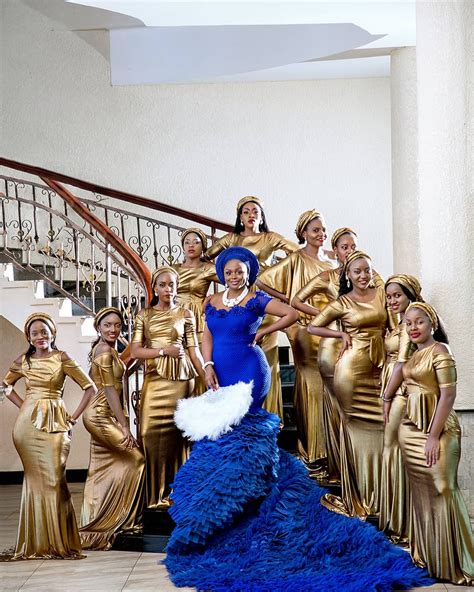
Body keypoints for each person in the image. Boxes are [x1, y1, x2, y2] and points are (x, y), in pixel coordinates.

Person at [164, 247, 432, 592]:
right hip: (220, 370)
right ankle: (225, 507)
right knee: (219, 436)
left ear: (247, 273)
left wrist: (263, 332)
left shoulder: (257, 298)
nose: (234, 276)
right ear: (222, 273)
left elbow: (292, 313)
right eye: (228, 272)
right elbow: (207, 336)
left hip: (249, 369)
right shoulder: (212, 301)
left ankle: (253, 501)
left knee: (244, 434)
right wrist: (207, 365)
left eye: (239, 272)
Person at [2, 313, 96, 559]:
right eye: (35, 333)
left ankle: (59, 542)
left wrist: (73, 418)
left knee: (55, 480)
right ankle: (38, 543)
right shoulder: (24, 361)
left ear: (53, 333)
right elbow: (5, 385)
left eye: (44, 331)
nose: (40, 336)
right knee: (34, 482)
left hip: (55, 421)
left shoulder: (62, 358)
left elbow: (90, 387)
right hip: (26, 427)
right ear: (29, 338)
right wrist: (23, 405)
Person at [395, 302, 473, 584]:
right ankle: (430, 558)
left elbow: (448, 396)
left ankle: (458, 562)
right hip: (410, 432)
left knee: (443, 489)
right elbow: (394, 389)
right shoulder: (412, 357)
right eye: (408, 324)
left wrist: (432, 436)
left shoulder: (441, 351)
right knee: (422, 495)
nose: (414, 328)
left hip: (438, 432)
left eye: (420, 322)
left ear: (433, 325)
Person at [308, 251, 388, 518]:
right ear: (348, 275)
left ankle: (384, 496)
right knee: (356, 436)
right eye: (357, 272)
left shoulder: (383, 293)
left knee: (385, 432)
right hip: (351, 374)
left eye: (367, 270)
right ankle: (362, 496)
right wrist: (340, 333)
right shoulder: (342, 302)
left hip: (380, 369)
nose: (363, 275)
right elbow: (313, 327)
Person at [205, 196, 299, 420]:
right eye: (245, 211)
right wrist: (208, 364)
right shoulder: (231, 239)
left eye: (255, 211)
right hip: (227, 338)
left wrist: (272, 278)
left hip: (258, 303)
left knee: (268, 361)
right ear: (239, 216)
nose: (250, 215)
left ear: (261, 215)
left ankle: (272, 415)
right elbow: (207, 255)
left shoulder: (269, 238)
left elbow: (297, 253)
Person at [257, 210, 335, 475]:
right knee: (311, 382)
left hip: (331, 326)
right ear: (303, 233)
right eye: (315, 230)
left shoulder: (333, 260)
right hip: (304, 326)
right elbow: (261, 280)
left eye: (323, 229)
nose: (321, 234)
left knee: (329, 386)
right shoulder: (295, 259)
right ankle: (313, 452)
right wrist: (289, 298)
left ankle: (332, 451)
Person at [130, 266, 205, 508]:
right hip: (155, 379)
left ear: (177, 286)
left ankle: (176, 495)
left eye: (171, 284)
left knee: (177, 437)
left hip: (182, 380)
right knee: (148, 434)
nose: (167, 289)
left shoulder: (186, 314)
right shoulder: (144, 315)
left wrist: (207, 373)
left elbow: (194, 351)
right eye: (162, 284)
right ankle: (154, 497)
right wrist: (164, 351)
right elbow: (135, 351)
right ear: (154, 288)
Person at [79, 307, 145, 550]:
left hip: (102, 415)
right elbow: (108, 391)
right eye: (108, 325)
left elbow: (98, 383)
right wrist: (125, 426)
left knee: (103, 468)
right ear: (98, 327)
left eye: (117, 325)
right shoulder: (105, 352)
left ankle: (99, 518)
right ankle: (121, 518)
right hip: (100, 416)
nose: (113, 329)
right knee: (136, 459)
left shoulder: (107, 350)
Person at [378, 275, 422, 544]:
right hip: (393, 388)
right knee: (391, 450)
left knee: (393, 450)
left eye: (398, 296)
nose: (392, 301)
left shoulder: (409, 323)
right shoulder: (399, 321)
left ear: (410, 295)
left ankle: (402, 527)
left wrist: (386, 396)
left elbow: (401, 365)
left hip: (401, 392)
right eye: (390, 296)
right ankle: (398, 522)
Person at [173, 227, 218, 393]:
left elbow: (234, 280)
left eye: (196, 242)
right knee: (179, 362)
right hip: (175, 317)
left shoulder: (207, 268)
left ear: (203, 246)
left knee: (199, 360)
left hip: (197, 317)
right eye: (187, 242)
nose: (191, 245)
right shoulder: (174, 268)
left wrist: (214, 297)